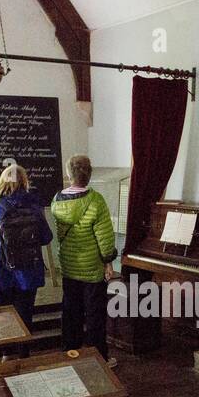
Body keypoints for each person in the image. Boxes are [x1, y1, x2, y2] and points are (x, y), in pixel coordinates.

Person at [51, 155, 116, 365]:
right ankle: (99, 358)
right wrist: (108, 261)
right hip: (91, 268)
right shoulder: (96, 200)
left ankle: (70, 352)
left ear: (69, 174)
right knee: (95, 314)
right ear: (89, 174)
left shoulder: (57, 200)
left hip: (69, 265)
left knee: (71, 311)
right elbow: (104, 237)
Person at [0, 163, 52, 332]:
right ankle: (24, 353)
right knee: (25, 314)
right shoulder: (34, 207)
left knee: (4, 315)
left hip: (0, 269)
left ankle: (6, 354)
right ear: (24, 182)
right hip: (28, 271)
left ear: (2, 182)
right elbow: (47, 237)